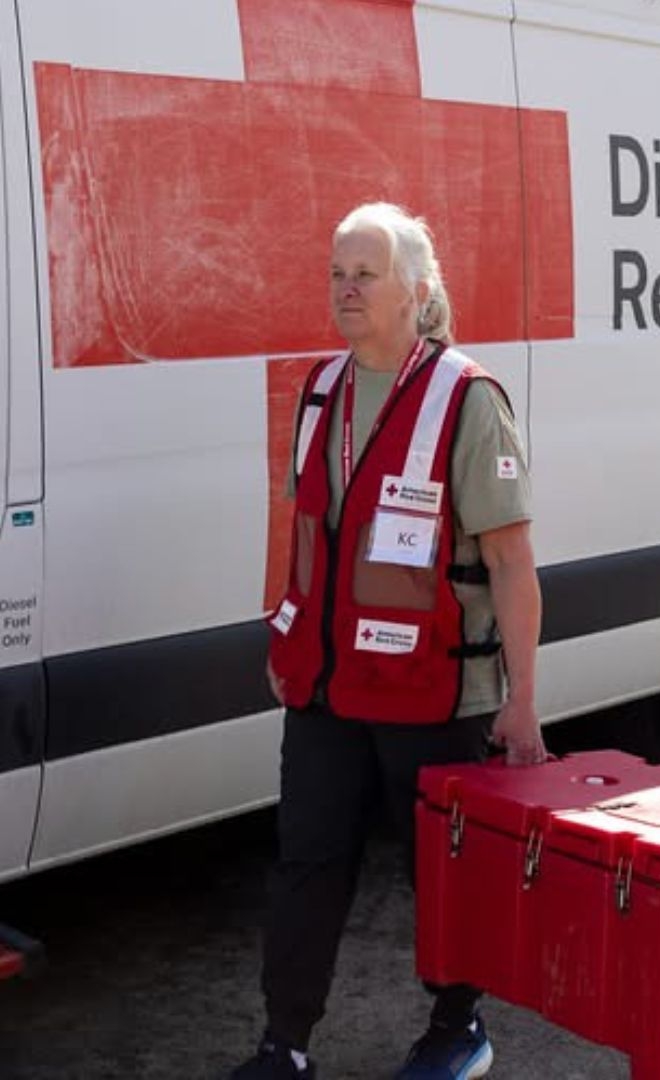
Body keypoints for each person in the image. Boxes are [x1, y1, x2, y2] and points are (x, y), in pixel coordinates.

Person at [231, 202, 546, 1080]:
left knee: (440, 875)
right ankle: (282, 1043)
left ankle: (459, 1029)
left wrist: (522, 703)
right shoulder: (321, 388)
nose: (346, 289)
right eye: (337, 272)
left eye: (365, 274)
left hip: (432, 691)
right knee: (305, 865)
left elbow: (513, 564)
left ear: (417, 291)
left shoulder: (467, 399)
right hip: (327, 688)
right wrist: (287, 628)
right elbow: (305, 530)